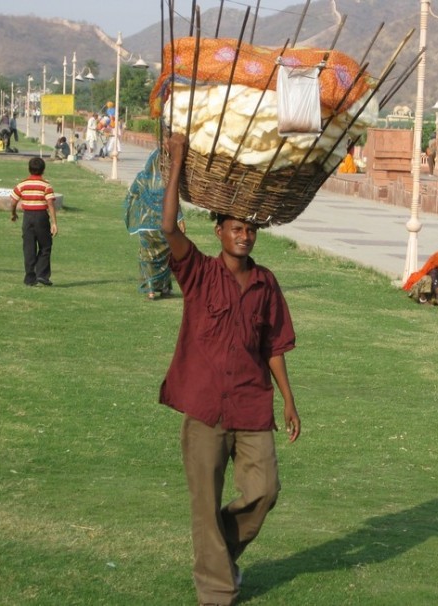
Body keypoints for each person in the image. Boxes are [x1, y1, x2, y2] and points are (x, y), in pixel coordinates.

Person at [159, 133, 301, 606]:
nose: (244, 235)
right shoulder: (198, 272)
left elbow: (275, 345)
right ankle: (217, 591)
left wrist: (289, 400)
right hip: (203, 407)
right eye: (236, 228)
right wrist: (178, 160)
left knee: (265, 491)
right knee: (204, 500)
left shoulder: (265, 283)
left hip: (251, 402)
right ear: (218, 231)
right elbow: (168, 228)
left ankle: (216, 548)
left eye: (251, 230)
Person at [123, 147, 185, 300]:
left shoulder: (141, 179)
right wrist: (179, 219)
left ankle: (150, 290)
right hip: (164, 226)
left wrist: (133, 214)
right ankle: (164, 288)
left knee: (147, 257)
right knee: (165, 257)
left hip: (146, 226)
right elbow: (174, 202)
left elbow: (130, 197)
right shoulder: (167, 181)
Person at [9, 157, 58, 286]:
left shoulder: (22, 184)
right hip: (41, 216)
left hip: (28, 217)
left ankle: (30, 278)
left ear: (29, 169)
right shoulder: (46, 185)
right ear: (43, 170)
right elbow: (50, 204)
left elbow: (13, 202)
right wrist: (54, 223)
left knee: (29, 247)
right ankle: (42, 274)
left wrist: (13, 214)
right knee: (45, 245)